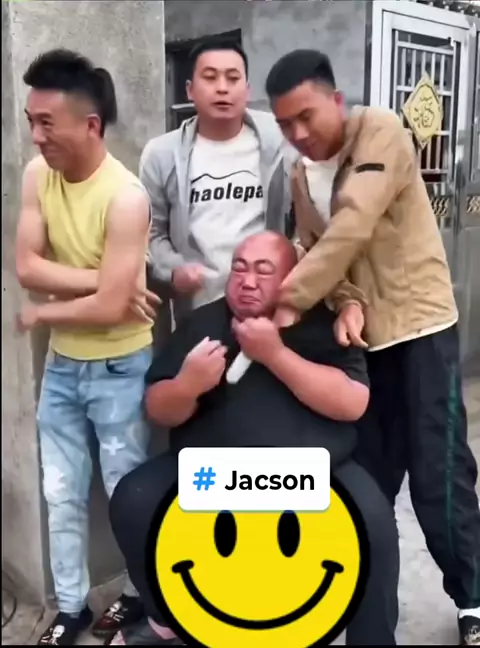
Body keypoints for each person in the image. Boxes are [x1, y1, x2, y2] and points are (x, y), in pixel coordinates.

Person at [264, 49, 480, 646]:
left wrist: (289, 299)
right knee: (367, 480)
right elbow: (320, 249)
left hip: (420, 330)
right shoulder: (300, 174)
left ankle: (473, 600)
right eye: (284, 124)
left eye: (306, 116)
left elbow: (353, 223)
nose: (298, 134)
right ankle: (364, 597)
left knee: (438, 476)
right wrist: (346, 300)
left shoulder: (379, 132)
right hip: (361, 343)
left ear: (335, 101)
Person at [107, 232, 400, 646]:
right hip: (210, 472)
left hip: (316, 471)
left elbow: (353, 403)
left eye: (264, 272)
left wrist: (275, 354)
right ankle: (166, 618)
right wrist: (188, 386)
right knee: (134, 499)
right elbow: (158, 408)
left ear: (292, 278)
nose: (247, 281)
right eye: (239, 269)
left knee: (375, 527)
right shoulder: (202, 324)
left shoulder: (323, 322)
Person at [15, 49, 160, 646]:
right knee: (61, 494)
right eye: (31, 121)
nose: (36, 135)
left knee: (128, 494)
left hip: (121, 366)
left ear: (90, 124)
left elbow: (107, 310)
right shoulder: (36, 175)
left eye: (47, 123)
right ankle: (71, 607)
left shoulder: (125, 196)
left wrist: (47, 310)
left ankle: (139, 597)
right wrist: (110, 281)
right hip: (63, 367)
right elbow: (27, 266)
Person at [139, 37, 365, 337]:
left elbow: (306, 220)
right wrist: (174, 270)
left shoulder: (282, 140)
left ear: (247, 90)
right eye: (210, 77)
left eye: (232, 78)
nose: (222, 88)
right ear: (190, 90)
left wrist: (295, 282)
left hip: (272, 307)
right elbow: (152, 232)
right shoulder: (162, 154)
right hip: (198, 309)